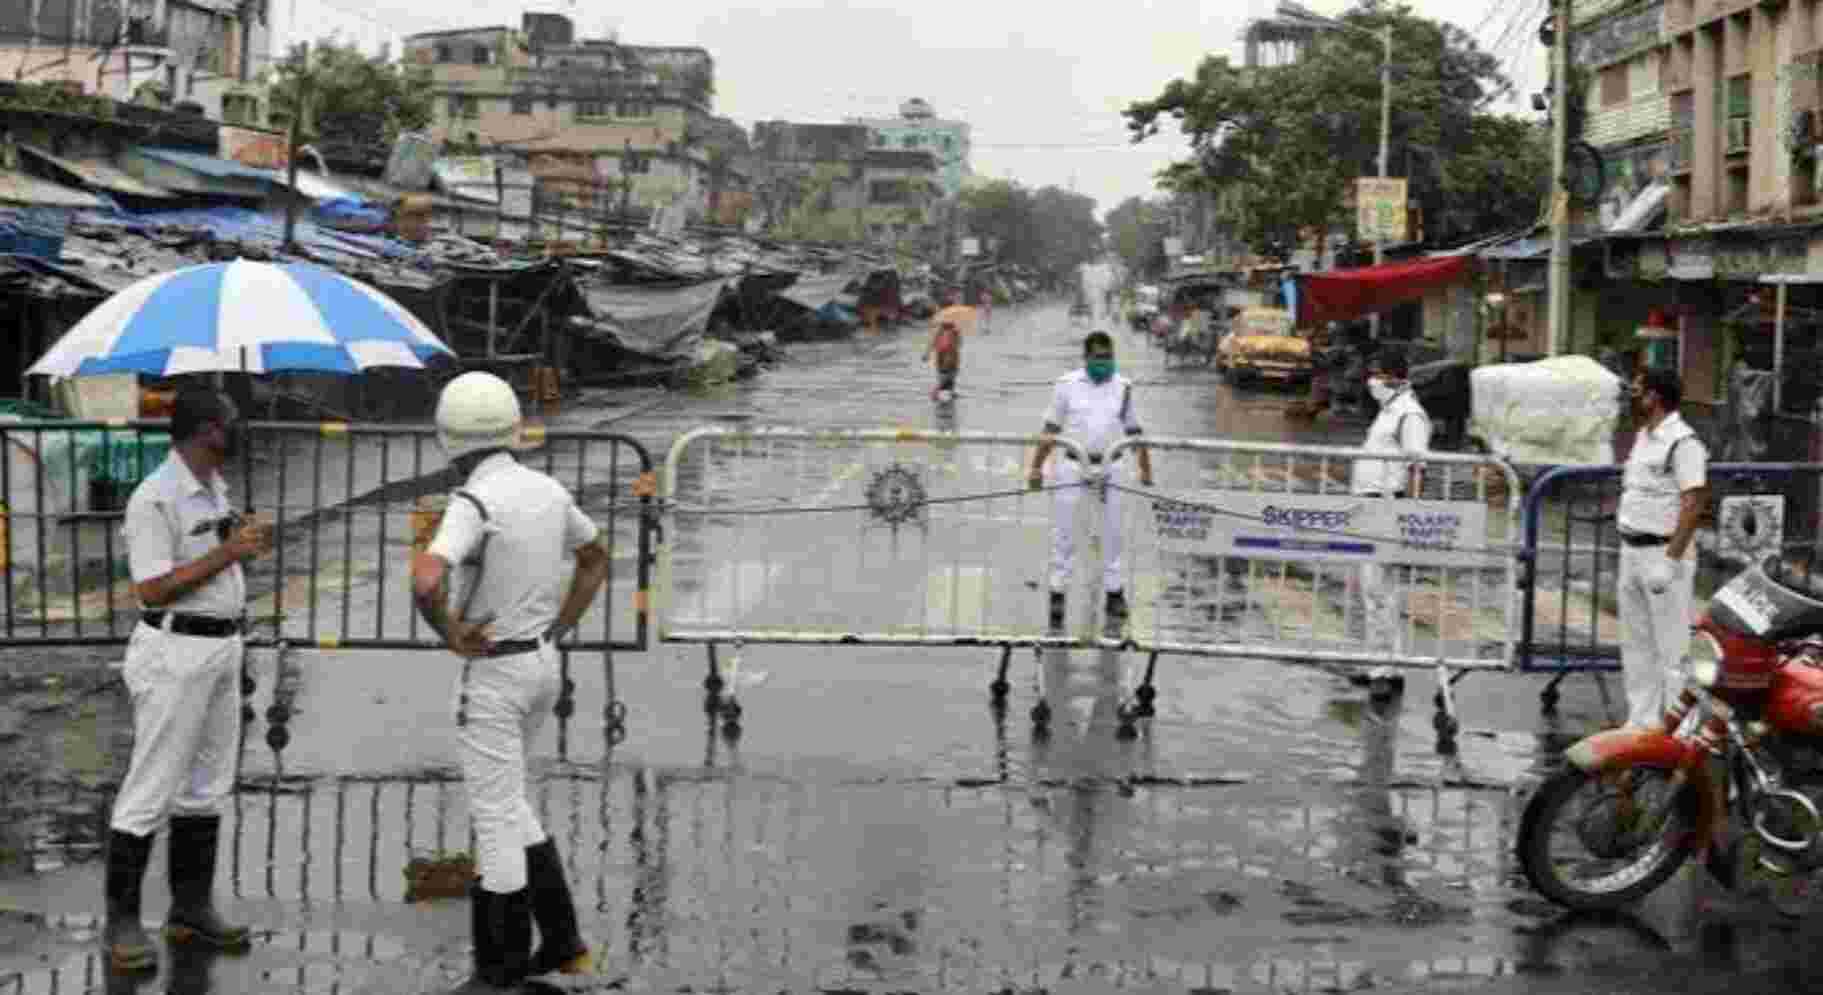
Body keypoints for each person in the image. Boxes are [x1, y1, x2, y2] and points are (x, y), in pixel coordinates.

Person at [412, 372, 613, 992]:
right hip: (541, 663)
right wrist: (562, 624)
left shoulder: (473, 502)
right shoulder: (547, 490)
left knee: (495, 816)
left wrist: (450, 631)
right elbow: (595, 556)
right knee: (511, 799)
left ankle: (497, 972)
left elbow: (426, 578)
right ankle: (563, 941)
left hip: (496, 673)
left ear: (450, 437)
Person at [105, 386, 271, 973]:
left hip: (221, 647)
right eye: (232, 421)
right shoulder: (155, 498)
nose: (240, 429)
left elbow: (214, 565)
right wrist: (228, 553)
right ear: (207, 431)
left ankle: (191, 908)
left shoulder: (215, 488)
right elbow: (152, 588)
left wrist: (241, 547)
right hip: (175, 651)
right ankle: (122, 922)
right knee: (150, 786)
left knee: (205, 785)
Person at [1028, 332, 1155, 630]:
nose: (1104, 363)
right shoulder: (1067, 385)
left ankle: (1114, 593)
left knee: (1113, 533)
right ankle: (1058, 593)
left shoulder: (1123, 387)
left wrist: (1145, 467)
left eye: (1109, 357)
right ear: (1086, 358)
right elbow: (1050, 428)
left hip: (1112, 467)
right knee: (1065, 532)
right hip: (1073, 467)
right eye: (1099, 357)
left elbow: (1134, 431)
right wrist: (1036, 467)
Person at [1616, 366, 1708, 728]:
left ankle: (1681, 730)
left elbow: (1693, 504)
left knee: (1673, 648)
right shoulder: (1643, 437)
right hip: (1632, 550)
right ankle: (1642, 722)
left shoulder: (1684, 443)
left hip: (1663, 553)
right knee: (1636, 645)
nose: (1631, 398)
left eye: (1636, 391)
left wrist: (1670, 561)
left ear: (1653, 397)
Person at [1349, 345, 1432, 656]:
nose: (1372, 380)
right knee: (1374, 590)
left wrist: (1408, 517)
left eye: (1377, 374)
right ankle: (1381, 663)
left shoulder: (1410, 414)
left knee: (1380, 590)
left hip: (1388, 506)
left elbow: (1416, 469)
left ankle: (1386, 666)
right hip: (1371, 506)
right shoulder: (1389, 410)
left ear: (1395, 377)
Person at [923, 317, 962, 400]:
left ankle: (951, 392)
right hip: (950, 357)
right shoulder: (953, 332)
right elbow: (958, 344)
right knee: (948, 376)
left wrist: (927, 354)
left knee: (946, 375)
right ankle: (935, 392)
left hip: (942, 357)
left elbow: (932, 343)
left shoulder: (939, 332)